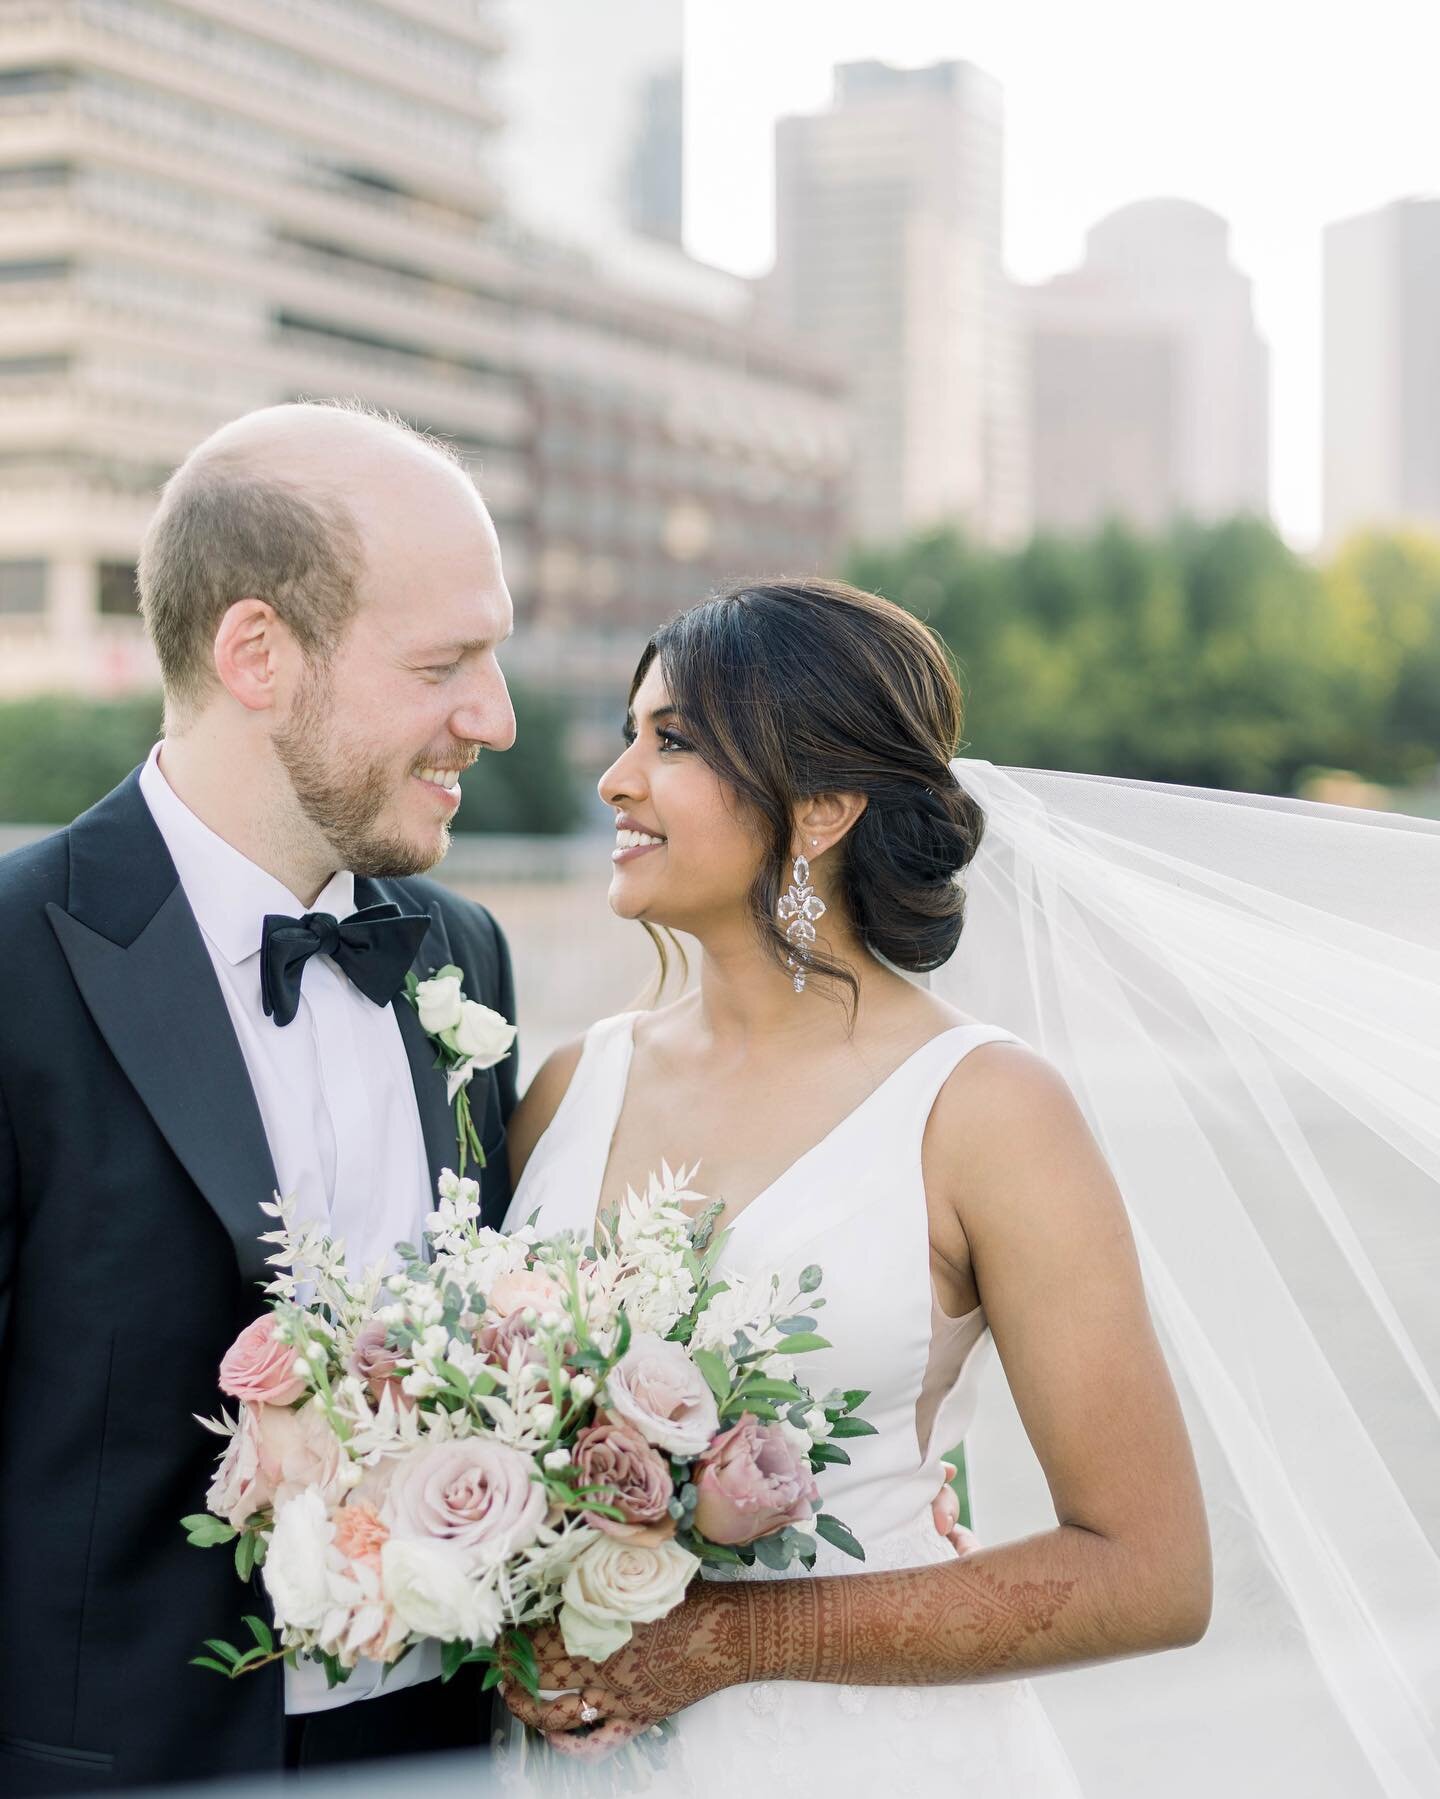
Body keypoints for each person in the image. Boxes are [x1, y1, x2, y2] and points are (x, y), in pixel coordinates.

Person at [500, 578, 1212, 1792]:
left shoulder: (985, 1108)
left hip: (854, 1755)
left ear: (822, 805)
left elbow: (1151, 1571)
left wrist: (733, 1638)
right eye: (631, 734)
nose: (616, 777)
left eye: (670, 740)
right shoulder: (572, 1083)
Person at [0, 402, 522, 1790]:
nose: (495, 717)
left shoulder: (466, 957)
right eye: (444, 662)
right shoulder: (7, 955)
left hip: (440, 1745)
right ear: (257, 654)